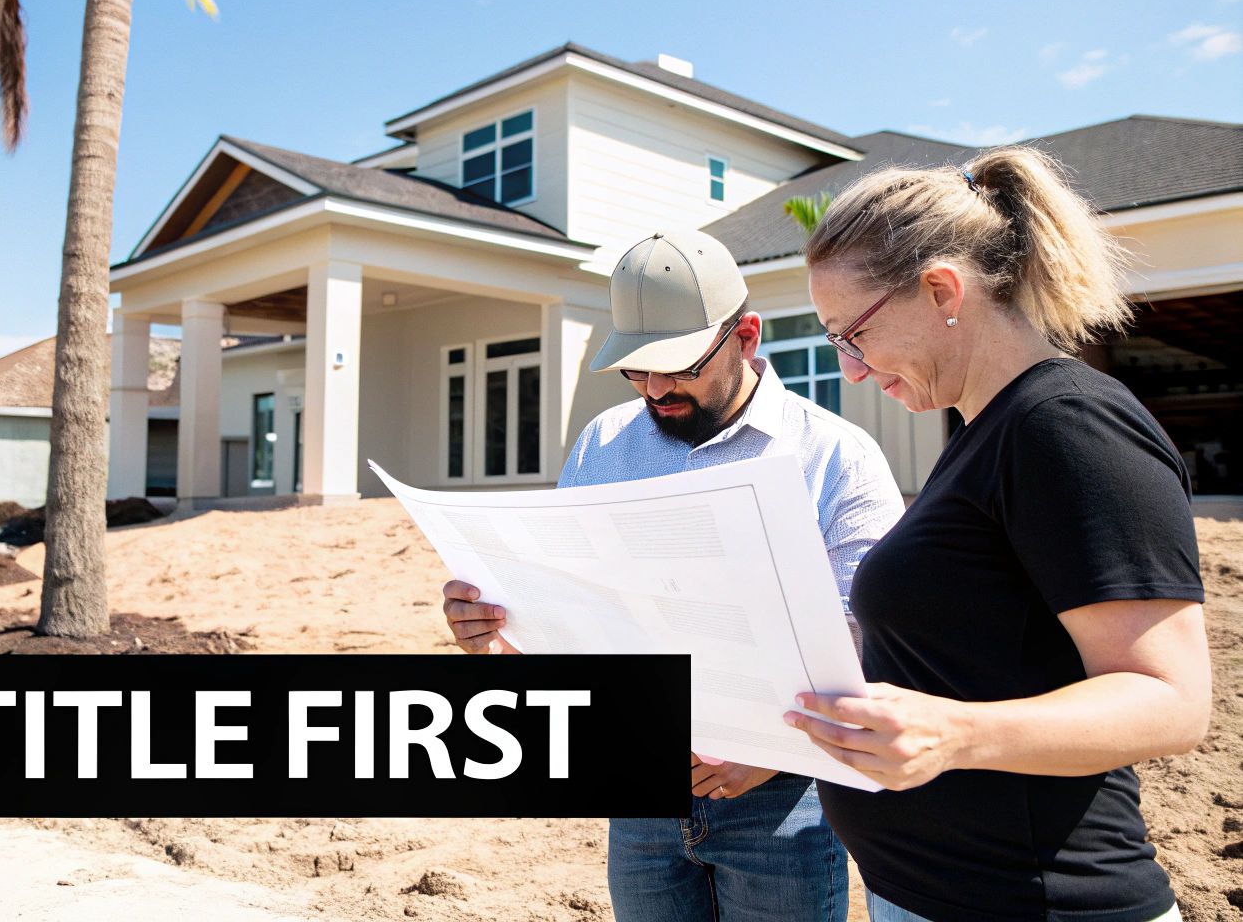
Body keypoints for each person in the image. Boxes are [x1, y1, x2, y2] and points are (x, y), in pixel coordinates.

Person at [785, 148, 1210, 922]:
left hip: (1037, 903)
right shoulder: (985, 432)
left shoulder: (1067, 427)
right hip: (934, 895)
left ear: (943, 289)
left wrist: (956, 734)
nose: (849, 370)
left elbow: (1171, 701)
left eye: (851, 336)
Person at [443, 230, 905, 921]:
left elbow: (869, 647)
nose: (655, 389)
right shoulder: (603, 444)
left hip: (783, 803)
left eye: (678, 366)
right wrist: (496, 632)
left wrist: (766, 756)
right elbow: (570, 619)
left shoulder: (838, 458)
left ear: (746, 336)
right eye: (636, 369)